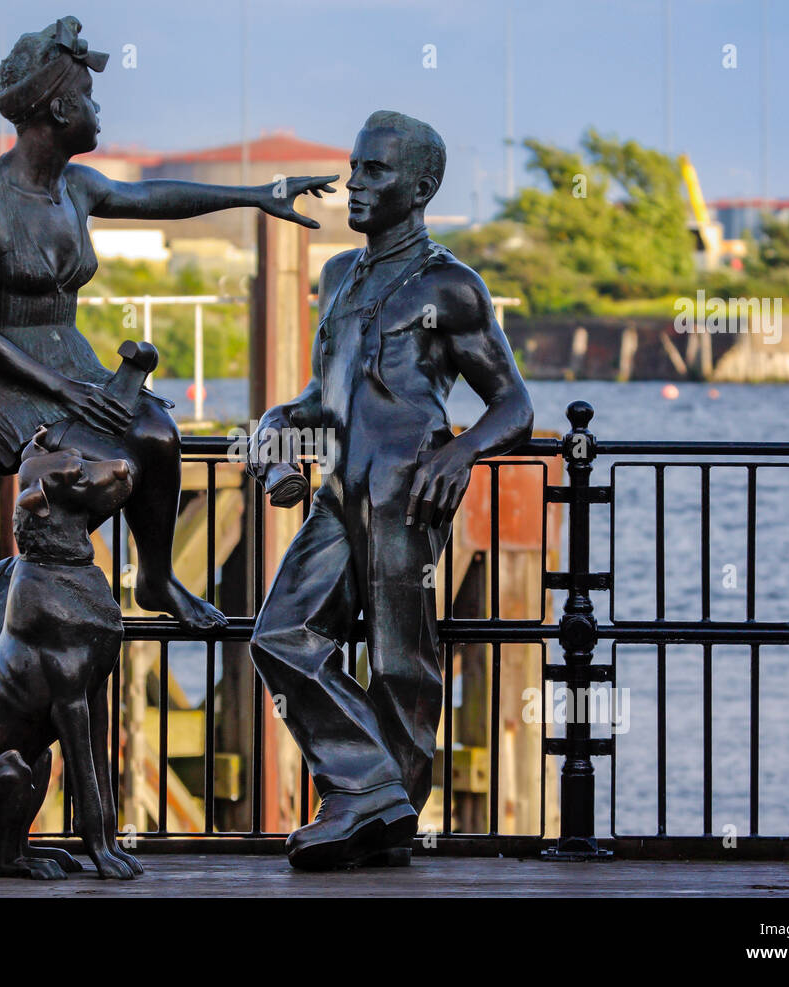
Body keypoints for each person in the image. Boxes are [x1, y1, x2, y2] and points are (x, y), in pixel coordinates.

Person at [0, 17, 335, 629]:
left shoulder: (76, 187)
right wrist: (66, 391)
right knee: (95, 462)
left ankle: (155, 579)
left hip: (71, 357)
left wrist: (256, 195)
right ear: (58, 108)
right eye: (89, 99)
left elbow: (157, 196)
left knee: (156, 430)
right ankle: (18, 578)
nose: (99, 111)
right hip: (13, 375)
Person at [248, 111, 534, 870]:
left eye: (376, 171)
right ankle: (370, 789)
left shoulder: (452, 285)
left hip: (408, 489)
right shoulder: (338, 275)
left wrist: (465, 451)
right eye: (354, 166)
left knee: (401, 662)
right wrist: (275, 435)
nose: (356, 183)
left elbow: (515, 405)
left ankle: (380, 819)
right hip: (340, 491)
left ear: (421, 186)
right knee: (281, 634)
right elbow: (319, 395)